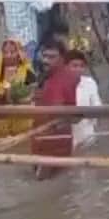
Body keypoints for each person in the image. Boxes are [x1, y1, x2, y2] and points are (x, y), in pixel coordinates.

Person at [30, 44, 82, 178]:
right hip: (40, 134)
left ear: (62, 59)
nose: (46, 60)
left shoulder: (67, 78)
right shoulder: (45, 76)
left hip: (55, 136)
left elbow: (73, 113)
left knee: (45, 179)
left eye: (52, 57)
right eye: (45, 56)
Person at [0, 39, 36, 138]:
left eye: (12, 52)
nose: (9, 55)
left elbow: (31, 94)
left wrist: (15, 94)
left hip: (21, 121)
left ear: (19, 54)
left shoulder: (28, 72)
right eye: (5, 52)